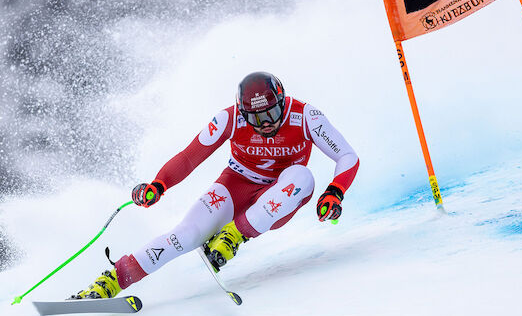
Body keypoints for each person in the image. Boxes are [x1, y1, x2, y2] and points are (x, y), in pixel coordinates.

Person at [71, 72, 360, 299]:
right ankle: (111, 282)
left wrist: (334, 192)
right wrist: (159, 185)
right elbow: (189, 157)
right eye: (256, 119)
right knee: (184, 236)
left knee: (303, 176)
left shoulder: (306, 117)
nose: (265, 124)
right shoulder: (229, 119)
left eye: (272, 114)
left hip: (278, 197)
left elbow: (347, 156)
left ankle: (233, 236)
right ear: (242, 112)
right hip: (235, 187)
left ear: (283, 101)